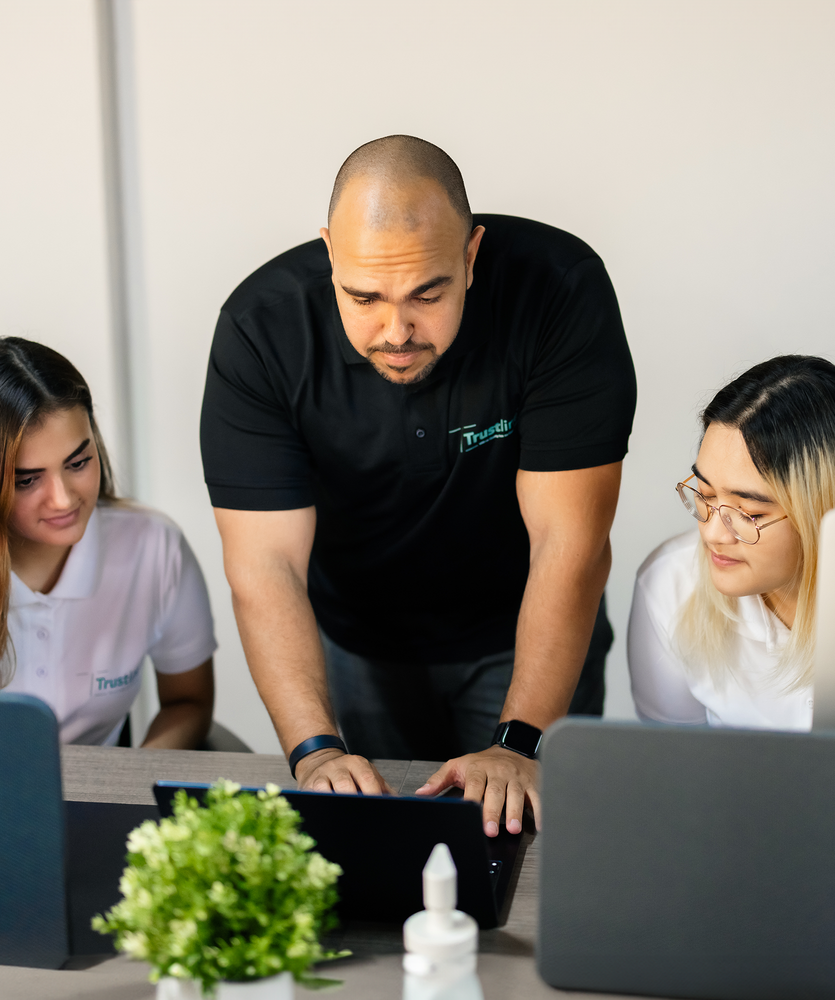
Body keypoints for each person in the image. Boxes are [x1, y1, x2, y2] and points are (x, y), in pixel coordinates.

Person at [201, 135, 635, 835]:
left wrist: (518, 742)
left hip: (522, 631)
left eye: (427, 294)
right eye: (364, 296)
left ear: (470, 257)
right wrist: (314, 751)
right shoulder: (261, 330)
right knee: (384, 858)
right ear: (329, 254)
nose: (396, 329)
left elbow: (571, 542)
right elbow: (265, 563)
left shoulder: (558, 290)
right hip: (359, 643)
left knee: (528, 865)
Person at [0, 337, 216, 747]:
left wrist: (133, 788)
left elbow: (188, 701)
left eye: (78, 462)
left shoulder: (153, 547)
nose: (64, 499)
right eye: (27, 479)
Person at [628, 355, 835, 729]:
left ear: (827, 509)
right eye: (704, 495)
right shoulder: (670, 584)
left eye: (750, 514)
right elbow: (670, 766)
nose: (712, 534)